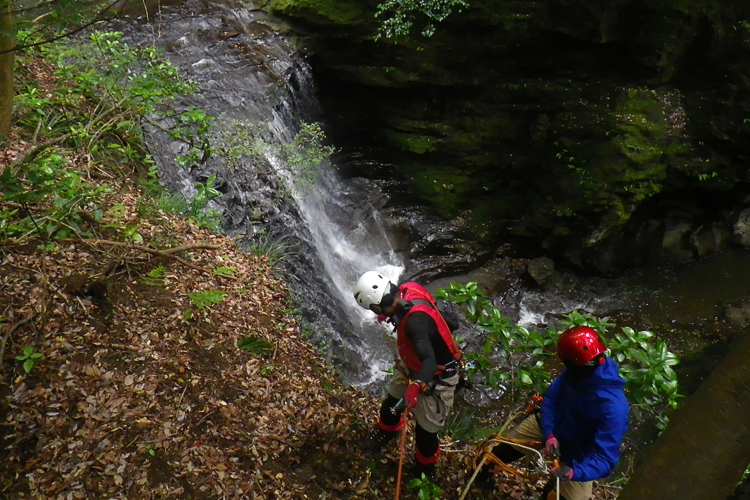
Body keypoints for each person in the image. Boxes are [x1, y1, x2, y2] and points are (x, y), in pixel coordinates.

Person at [482, 326, 629, 500]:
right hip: (552, 425)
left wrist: (575, 472)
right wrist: (550, 433)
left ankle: (551, 491)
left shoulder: (614, 409)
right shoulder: (575, 372)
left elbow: (604, 458)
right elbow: (551, 400)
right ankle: (481, 477)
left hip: (578, 458)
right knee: (500, 452)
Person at [353, 271, 462, 479]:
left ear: (377, 306)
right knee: (391, 406)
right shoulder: (409, 288)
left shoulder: (415, 325)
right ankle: (387, 431)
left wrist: (416, 385)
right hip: (412, 362)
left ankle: (426, 468)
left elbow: (429, 361)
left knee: (425, 434)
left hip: (437, 375)